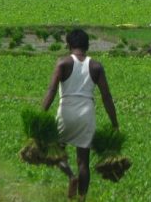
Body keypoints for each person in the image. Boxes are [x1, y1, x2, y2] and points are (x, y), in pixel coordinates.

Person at [41, 29, 119, 201]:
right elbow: (106, 97)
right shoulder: (96, 66)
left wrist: (41, 115)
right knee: (83, 161)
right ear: (87, 46)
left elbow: (51, 90)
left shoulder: (63, 63)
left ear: (69, 45)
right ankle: (82, 198)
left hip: (66, 112)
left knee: (56, 151)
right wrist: (114, 123)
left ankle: (71, 176)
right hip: (86, 115)